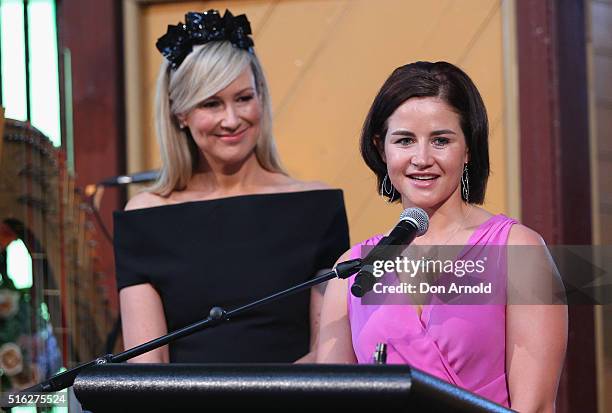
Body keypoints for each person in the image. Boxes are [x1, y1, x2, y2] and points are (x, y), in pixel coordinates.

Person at [316, 61, 567, 411]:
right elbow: (330, 401)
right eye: (404, 140)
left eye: (441, 140)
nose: (422, 158)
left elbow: (535, 407)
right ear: (381, 148)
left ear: (467, 149)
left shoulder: (518, 250)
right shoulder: (351, 269)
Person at [114, 9, 349, 364]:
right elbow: (148, 369)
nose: (231, 119)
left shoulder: (315, 207)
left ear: (261, 98)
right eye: (211, 103)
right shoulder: (146, 217)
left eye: (243, 98)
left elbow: (328, 358)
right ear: (181, 114)